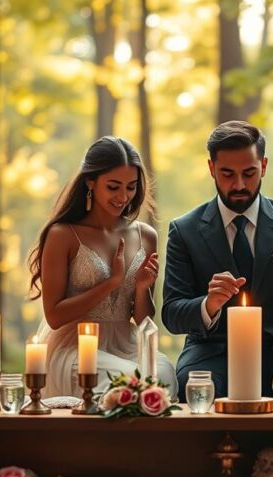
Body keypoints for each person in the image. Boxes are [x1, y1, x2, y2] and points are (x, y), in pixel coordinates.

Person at [163, 121, 273, 401]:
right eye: (227, 173)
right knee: (195, 386)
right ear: (211, 168)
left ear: (264, 165)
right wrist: (208, 304)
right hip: (214, 349)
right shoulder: (184, 230)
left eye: (249, 173)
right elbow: (172, 314)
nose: (239, 185)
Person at [28, 136, 177, 397]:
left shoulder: (146, 235)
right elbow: (54, 315)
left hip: (129, 343)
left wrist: (142, 288)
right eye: (113, 186)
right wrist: (111, 283)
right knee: (129, 382)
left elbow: (144, 321)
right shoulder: (63, 234)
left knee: (162, 374)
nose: (123, 196)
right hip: (78, 348)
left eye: (131, 187)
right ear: (90, 181)